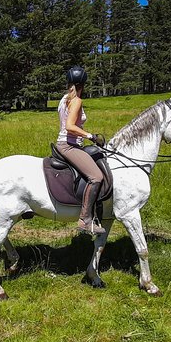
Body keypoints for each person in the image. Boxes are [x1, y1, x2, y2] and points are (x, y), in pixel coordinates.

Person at [56, 66, 106, 235]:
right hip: (68, 145)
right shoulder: (76, 100)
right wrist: (90, 136)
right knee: (96, 177)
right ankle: (85, 219)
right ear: (84, 83)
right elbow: (70, 126)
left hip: (67, 143)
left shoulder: (64, 98)